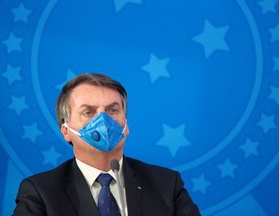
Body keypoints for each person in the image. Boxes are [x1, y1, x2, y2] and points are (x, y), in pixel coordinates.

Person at [13, 73, 201, 216]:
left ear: (126, 126)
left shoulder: (167, 184)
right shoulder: (40, 193)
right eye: (88, 112)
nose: (103, 120)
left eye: (112, 110)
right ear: (66, 131)